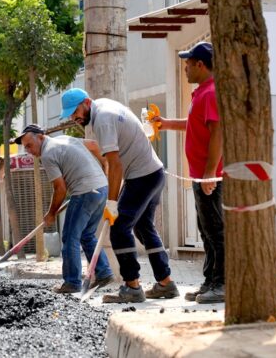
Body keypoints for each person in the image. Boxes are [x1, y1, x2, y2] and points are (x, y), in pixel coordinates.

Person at [60, 87, 178, 303]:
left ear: (86, 102)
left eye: (75, 111)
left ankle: (132, 287)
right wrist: (113, 196)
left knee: (119, 227)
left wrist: (112, 202)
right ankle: (166, 282)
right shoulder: (104, 107)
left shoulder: (102, 119)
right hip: (153, 172)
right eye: (70, 114)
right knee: (143, 227)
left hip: (142, 176)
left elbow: (115, 164)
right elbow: (113, 163)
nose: (74, 117)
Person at [153, 42, 225, 304]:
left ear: (201, 65)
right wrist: (166, 124)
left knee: (216, 231)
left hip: (210, 177)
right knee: (205, 231)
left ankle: (222, 284)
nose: (184, 67)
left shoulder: (212, 92)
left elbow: (218, 132)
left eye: (188, 62)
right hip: (200, 175)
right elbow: (196, 125)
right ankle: (210, 282)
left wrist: (208, 174)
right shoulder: (201, 93)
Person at [14, 124, 114, 294]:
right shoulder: (65, 139)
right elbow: (94, 145)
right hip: (102, 189)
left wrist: (51, 213)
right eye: (25, 148)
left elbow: (60, 188)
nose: (29, 151)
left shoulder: (48, 154)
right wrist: (104, 164)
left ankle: (72, 282)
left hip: (84, 192)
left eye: (30, 145)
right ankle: (104, 272)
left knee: (69, 238)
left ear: (41, 137)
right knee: (86, 235)